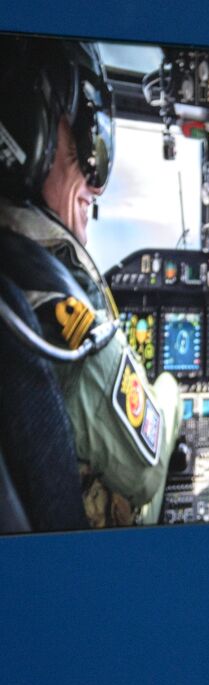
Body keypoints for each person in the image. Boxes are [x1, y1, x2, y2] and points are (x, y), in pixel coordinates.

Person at [0, 36, 179, 529]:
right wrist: (170, 390)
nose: (96, 184)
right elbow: (146, 472)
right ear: (27, 127)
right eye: (88, 136)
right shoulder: (49, 306)